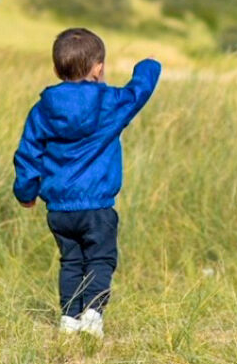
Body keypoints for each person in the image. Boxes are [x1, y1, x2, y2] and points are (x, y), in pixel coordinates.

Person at [13, 27, 161, 338]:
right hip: (97, 207)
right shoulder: (110, 103)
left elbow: (28, 153)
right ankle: (93, 313)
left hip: (59, 209)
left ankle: (69, 319)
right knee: (101, 258)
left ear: (56, 69)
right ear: (98, 68)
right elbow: (139, 91)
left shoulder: (43, 109)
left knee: (71, 262)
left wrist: (26, 192)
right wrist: (148, 65)